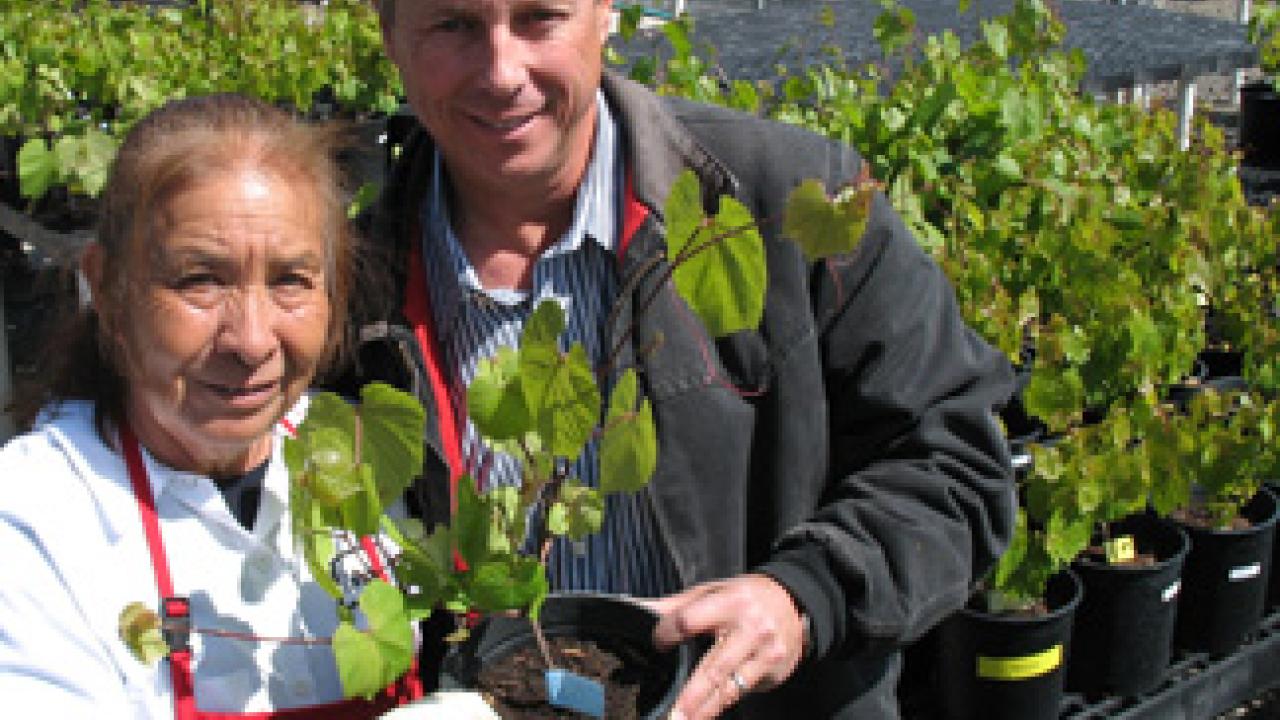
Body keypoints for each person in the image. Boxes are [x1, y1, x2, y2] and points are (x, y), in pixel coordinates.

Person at [347, 0, 1018, 717]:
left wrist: (801, 594)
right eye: (453, 25)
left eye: (540, 18)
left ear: (604, 13)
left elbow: (956, 458)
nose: (503, 72)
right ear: (391, 33)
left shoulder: (785, 195)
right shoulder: (338, 260)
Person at [0, 94, 421, 717]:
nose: (251, 340)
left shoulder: (355, 463)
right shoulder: (32, 527)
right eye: (200, 280)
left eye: (289, 281)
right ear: (109, 292)